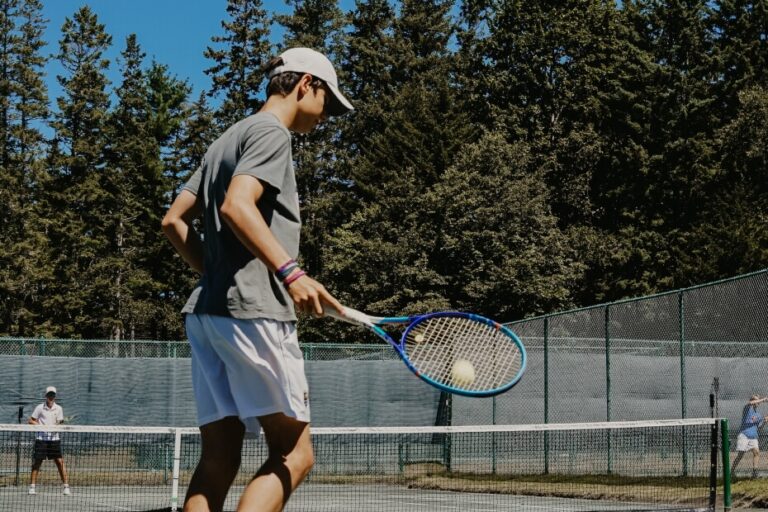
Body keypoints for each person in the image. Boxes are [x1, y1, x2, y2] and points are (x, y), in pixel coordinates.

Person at [162, 47, 352, 512]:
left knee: (220, 454)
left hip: (208, 315)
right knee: (294, 454)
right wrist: (290, 272)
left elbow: (172, 222)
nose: (326, 116)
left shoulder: (227, 138)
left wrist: (217, 273)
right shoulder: (272, 133)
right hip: (254, 317)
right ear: (306, 84)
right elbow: (236, 207)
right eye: (328, 101)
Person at [28, 386, 71, 496]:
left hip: (54, 440)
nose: (51, 397)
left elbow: (60, 422)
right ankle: (32, 487)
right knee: (37, 463)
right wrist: (42, 426)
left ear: (55, 396)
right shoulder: (39, 408)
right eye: (49, 395)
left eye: (53, 395)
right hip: (41, 439)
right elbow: (31, 420)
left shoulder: (59, 409)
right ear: (46, 396)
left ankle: (66, 487)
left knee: (60, 462)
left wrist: (57, 426)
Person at [731, 394, 768, 479]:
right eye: (756, 400)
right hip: (744, 435)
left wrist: (765, 421)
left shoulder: (758, 415)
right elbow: (750, 403)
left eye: (758, 400)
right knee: (740, 455)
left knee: (756, 452)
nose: (757, 402)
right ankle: (731, 472)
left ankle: (754, 474)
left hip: (753, 437)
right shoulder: (747, 409)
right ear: (752, 401)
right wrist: (763, 399)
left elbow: (759, 427)